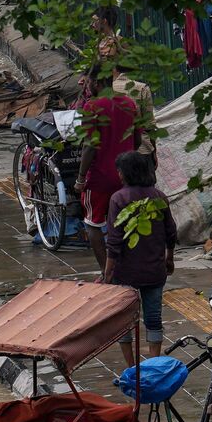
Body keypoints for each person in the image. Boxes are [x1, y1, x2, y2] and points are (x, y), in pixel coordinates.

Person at [103, 151, 175, 366]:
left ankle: (131, 368)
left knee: (124, 322)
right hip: (154, 271)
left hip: (126, 273)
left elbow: (114, 241)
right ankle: (153, 365)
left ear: (125, 174)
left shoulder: (118, 199)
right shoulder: (159, 197)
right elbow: (171, 232)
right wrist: (169, 258)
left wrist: (108, 273)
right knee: (153, 319)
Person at [73, 67, 141, 270]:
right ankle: (128, 266)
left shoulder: (92, 107)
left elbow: (89, 146)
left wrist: (80, 178)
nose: (86, 87)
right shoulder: (129, 103)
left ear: (96, 83)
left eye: (87, 82)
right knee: (126, 222)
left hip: (100, 178)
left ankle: (106, 271)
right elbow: (137, 140)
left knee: (93, 223)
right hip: (126, 176)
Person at [111, 61, 159, 166]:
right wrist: (154, 151)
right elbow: (149, 124)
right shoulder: (142, 88)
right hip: (142, 150)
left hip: (116, 151)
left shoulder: (107, 90)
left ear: (115, 69)